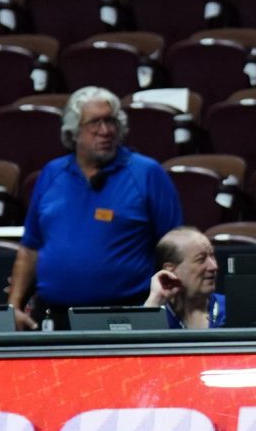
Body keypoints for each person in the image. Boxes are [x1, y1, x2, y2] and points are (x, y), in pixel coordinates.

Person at [10, 87, 184, 330]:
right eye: (95, 123)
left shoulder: (146, 173)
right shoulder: (52, 174)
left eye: (111, 121)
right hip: (55, 318)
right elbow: (30, 249)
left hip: (125, 317)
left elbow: (176, 248)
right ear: (74, 130)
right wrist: (14, 307)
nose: (106, 131)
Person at [144, 226, 226, 329]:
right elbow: (139, 343)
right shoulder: (157, 314)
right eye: (201, 259)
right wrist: (155, 301)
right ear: (171, 270)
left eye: (212, 256)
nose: (214, 266)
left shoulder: (233, 309)